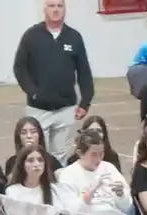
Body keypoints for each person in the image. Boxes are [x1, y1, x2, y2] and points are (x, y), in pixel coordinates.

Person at [13, 0, 94, 163]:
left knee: (60, 158)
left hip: (65, 109)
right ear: (45, 9)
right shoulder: (31, 35)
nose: (56, 10)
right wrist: (33, 92)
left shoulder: (74, 37)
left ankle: (57, 187)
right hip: (38, 110)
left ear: (65, 9)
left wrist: (85, 102)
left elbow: (84, 71)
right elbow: (19, 67)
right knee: (36, 154)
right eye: (52, 6)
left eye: (59, 6)